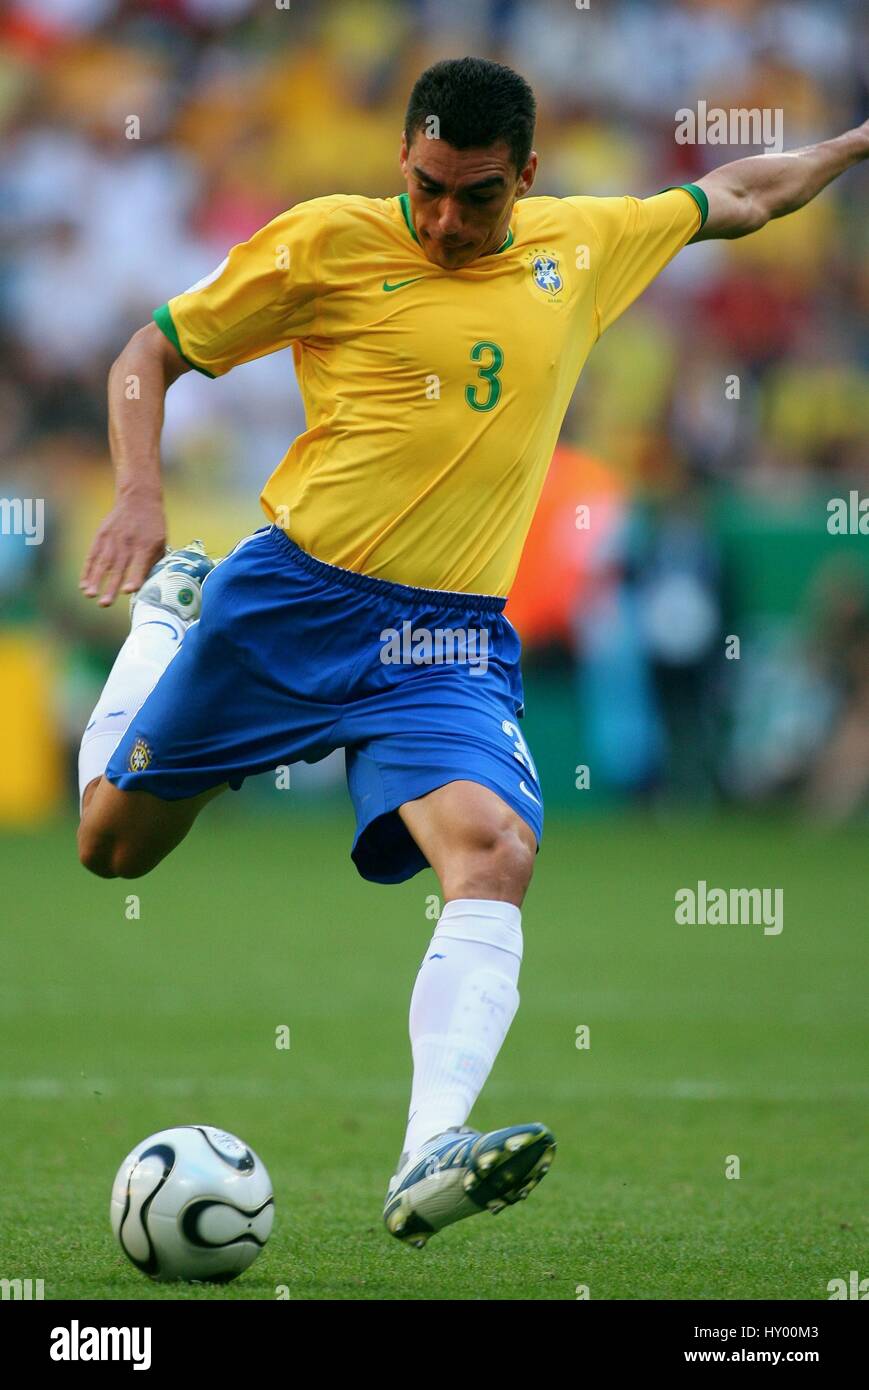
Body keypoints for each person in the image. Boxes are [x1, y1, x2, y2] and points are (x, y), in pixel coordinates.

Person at [75, 56, 868, 1247]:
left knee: (495, 851)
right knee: (109, 848)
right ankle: (160, 628)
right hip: (286, 602)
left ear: (528, 178)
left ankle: (424, 1149)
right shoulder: (323, 242)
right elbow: (149, 354)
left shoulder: (581, 245)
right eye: (430, 188)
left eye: (479, 197)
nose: (447, 220)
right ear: (402, 154)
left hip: (444, 641)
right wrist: (140, 493)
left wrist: (850, 145)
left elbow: (741, 195)